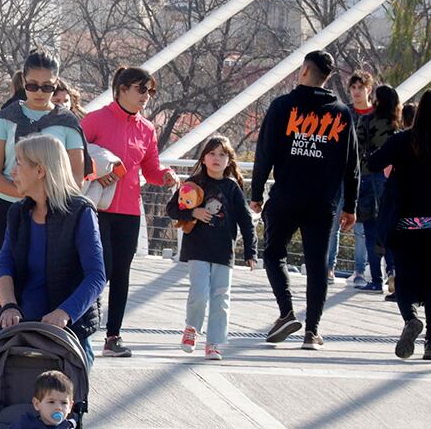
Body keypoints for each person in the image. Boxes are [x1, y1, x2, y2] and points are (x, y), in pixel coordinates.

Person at [250, 50, 358, 351]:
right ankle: (312, 332)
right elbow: (352, 165)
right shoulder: (341, 112)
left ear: (304, 71)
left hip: (286, 195)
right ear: (326, 77)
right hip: (323, 202)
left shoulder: (282, 106)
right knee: (317, 265)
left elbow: (265, 153)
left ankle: (286, 311)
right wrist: (350, 205)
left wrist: (256, 193)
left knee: (273, 253)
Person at [82, 66, 179, 358]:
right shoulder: (96, 119)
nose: (146, 96)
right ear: (122, 88)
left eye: (150, 91)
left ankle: (113, 336)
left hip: (128, 210)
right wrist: (97, 174)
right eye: (141, 89)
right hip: (97, 206)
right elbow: (74, 156)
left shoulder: (147, 129)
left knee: (121, 272)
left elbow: (150, 169)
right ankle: (81, 322)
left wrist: (166, 176)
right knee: (103, 267)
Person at [0, 135, 105, 367]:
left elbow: (96, 275)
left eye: (19, 163)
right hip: (22, 329)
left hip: (67, 333)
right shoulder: (17, 213)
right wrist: (8, 305)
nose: (12, 171)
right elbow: (5, 266)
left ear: (40, 171)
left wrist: (64, 313)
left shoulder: (80, 212)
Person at [0, 50, 89, 261]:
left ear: (56, 83)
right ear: (23, 81)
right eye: (32, 85)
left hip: (54, 212)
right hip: (9, 209)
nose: (39, 92)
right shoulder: (5, 119)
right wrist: (26, 194)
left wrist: (45, 199)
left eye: (47, 86)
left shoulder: (68, 122)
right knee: (8, 284)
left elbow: (76, 178)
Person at [165, 135, 257, 360]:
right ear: (204, 158)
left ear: (229, 161)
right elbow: (172, 209)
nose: (216, 158)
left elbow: (246, 220)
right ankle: (191, 329)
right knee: (199, 293)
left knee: (221, 297)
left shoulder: (232, 188)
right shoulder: (194, 183)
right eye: (212, 154)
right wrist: (192, 212)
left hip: (223, 251)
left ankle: (214, 343)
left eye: (222, 155)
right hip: (197, 249)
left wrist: (250, 252)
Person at [368, 90, 431, 359]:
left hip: (405, 222)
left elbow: (373, 162)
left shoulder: (404, 140)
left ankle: (411, 319)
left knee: (404, 279)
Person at [327, 71, 374, 286]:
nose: (356, 92)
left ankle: (359, 270)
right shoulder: (344, 112)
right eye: (353, 88)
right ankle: (328, 268)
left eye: (360, 88)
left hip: (366, 175)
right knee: (333, 223)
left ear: (368, 89)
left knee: (361, 227)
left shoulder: (376, 114)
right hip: (340, 174)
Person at [355, 84, 400, 296]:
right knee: (390, 227)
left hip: (367, 176)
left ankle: (376, 279)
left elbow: (358, 147)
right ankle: (393, 270)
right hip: (392, 180)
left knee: (371, 229)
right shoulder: (397, 124)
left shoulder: (367, 120)